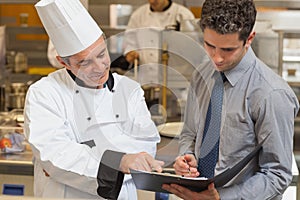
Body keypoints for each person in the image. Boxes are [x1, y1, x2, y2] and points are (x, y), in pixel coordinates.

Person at [24, 0, 164, 199]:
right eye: (85, 62)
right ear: (64, 63)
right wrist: (119, 160)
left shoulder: (129, 90)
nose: (99, 67)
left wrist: (85, 152)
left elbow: (146, 144)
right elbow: (54, 155)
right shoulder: (44, 93)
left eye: (102, 54)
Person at [162, 0, 299, 199]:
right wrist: (187, 156)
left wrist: (221, 198)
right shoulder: (202, 74)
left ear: (249, 38)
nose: (216, 58)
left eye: (228, 50)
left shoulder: (271, 94)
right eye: (210, 45)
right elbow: (189, 133)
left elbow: (277, 175)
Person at [111, 0, 195, 76]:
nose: (152, 1)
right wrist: (131, 52)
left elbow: (193, 47)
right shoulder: (138, 15)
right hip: (146, 76)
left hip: (176, 78)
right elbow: (130, 42)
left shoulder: (183, 14)